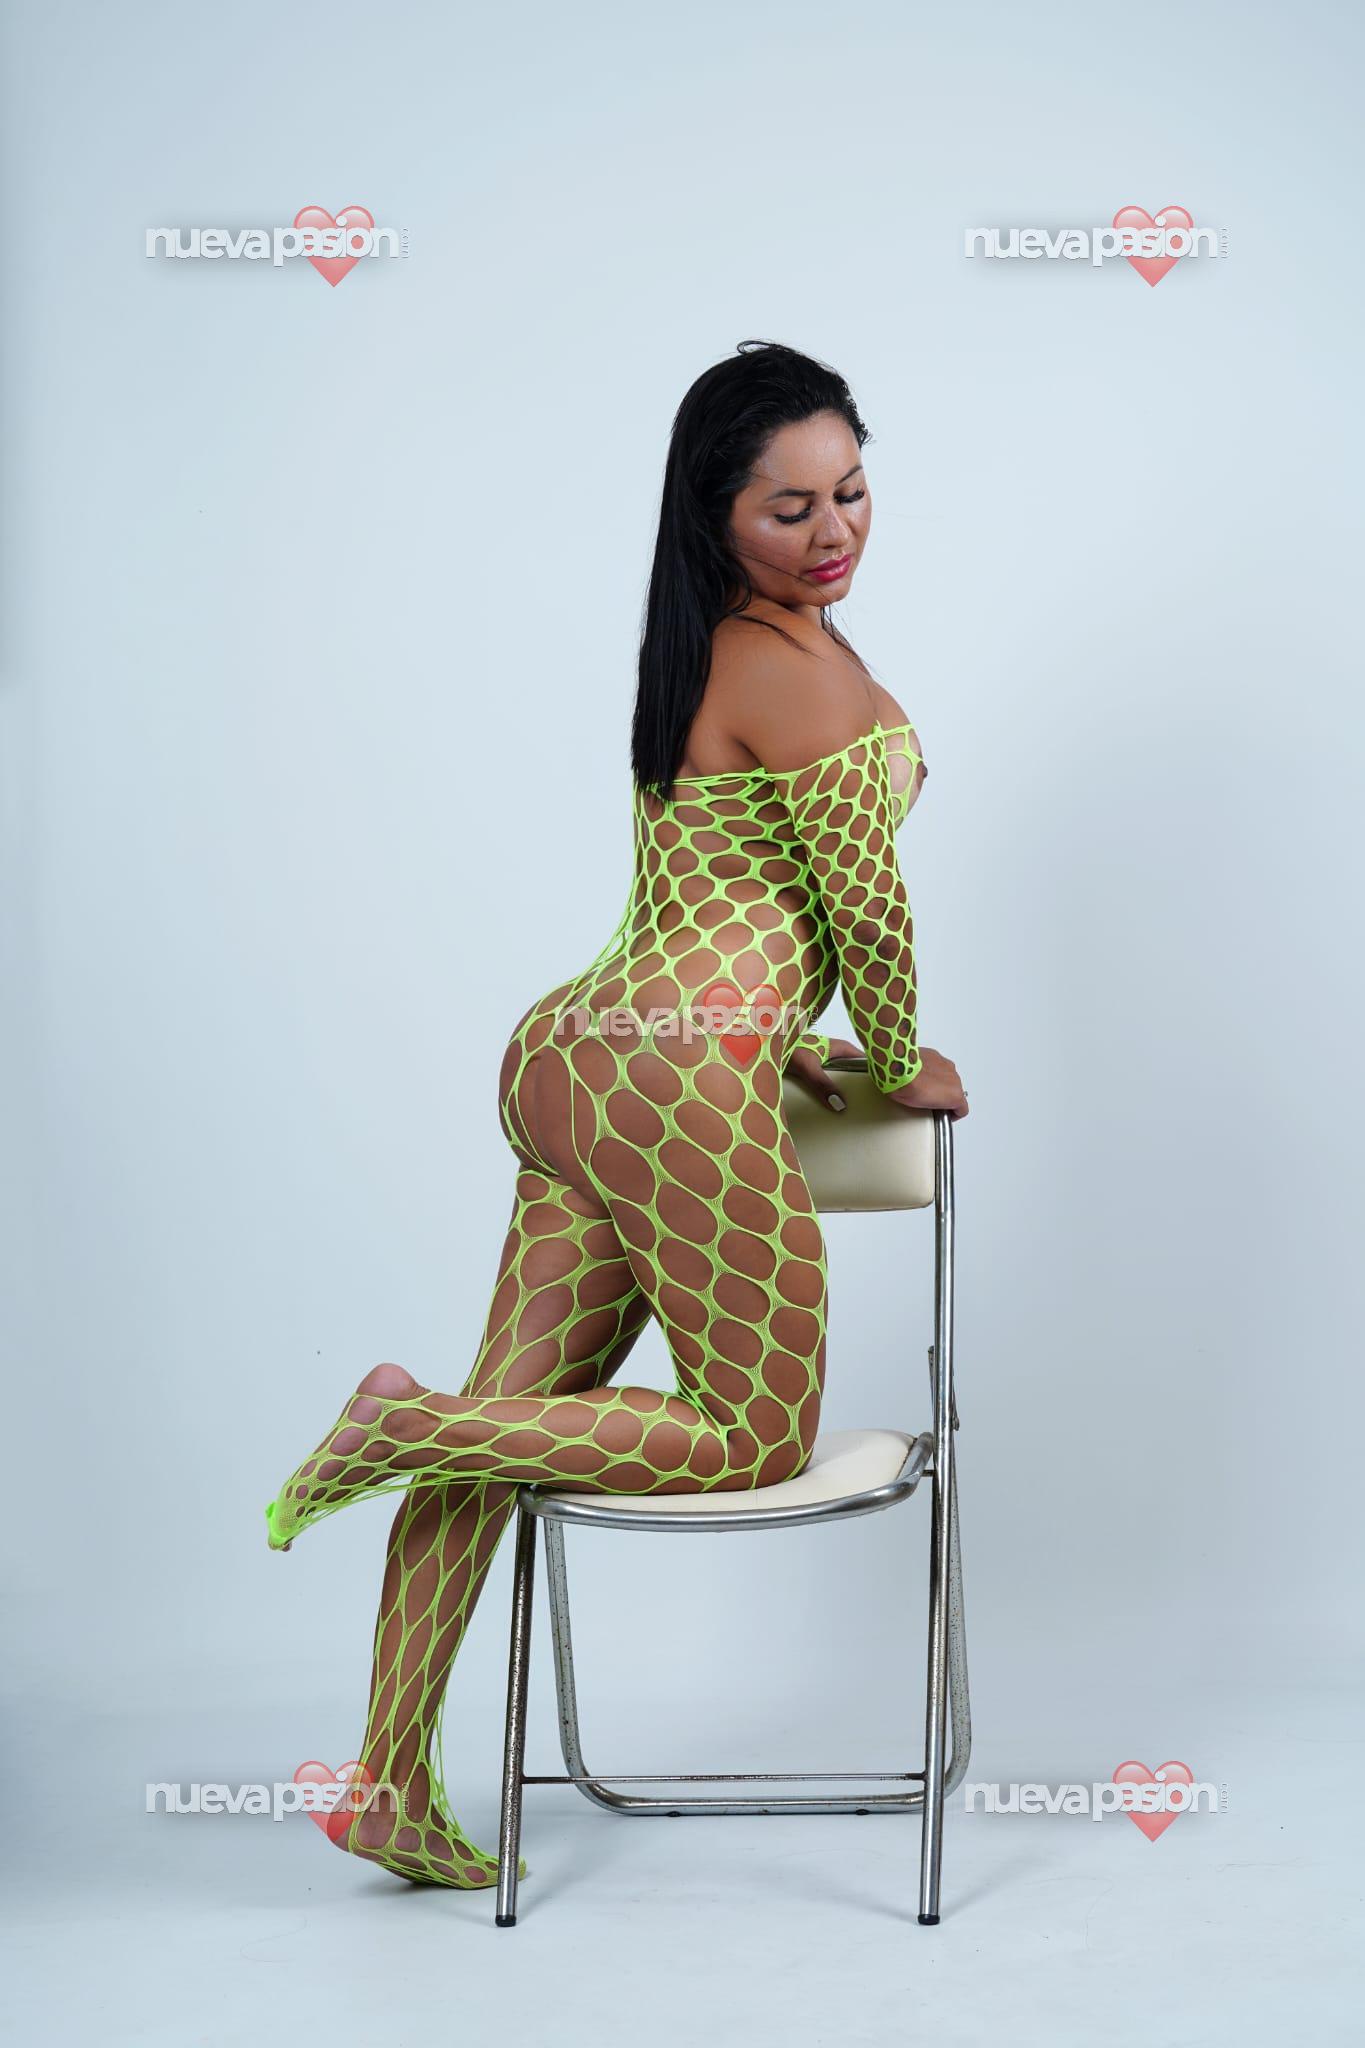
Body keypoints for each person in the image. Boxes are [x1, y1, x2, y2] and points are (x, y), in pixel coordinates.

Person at [264, 338, 970, 1888]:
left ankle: (384, 1779)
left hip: (585, 1055)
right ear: (716, 513)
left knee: (509, 1427)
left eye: (851, 492)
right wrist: (892, 1057)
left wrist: (779, 1042)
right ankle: (405, 1426)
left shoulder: (711, 649)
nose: (833, 530)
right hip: (674, 1078)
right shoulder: (788, 667)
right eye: (789, 507)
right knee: (752, 1433)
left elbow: (710, 896)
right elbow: (868, 913)